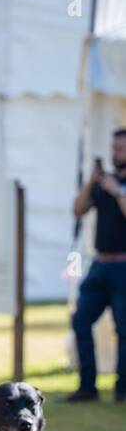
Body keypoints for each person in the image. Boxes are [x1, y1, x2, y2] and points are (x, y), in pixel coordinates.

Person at [69, 127, 126, 402]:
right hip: (100, 264)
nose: (116, 154)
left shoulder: (117, 188)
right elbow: (78, 210)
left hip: (124, 266)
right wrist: (91, 183)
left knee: (123, 328)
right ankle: (87, 386)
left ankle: (122, 389)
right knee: (80, 320)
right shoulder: (106, 183)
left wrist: (119, 193)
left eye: (121, 149)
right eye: (114, 148)